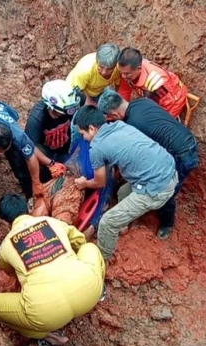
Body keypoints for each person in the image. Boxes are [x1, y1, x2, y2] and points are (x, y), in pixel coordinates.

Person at [0, 193, 106, 346]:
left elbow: (7, 270)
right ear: (29, 209)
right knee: (89, 247)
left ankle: (49, 337)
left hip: (47, 314)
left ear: (4, 222)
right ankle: (101, 292)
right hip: (88, 292)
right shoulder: (51, 222)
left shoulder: (6, 246)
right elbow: (79, 240)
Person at [73, 106, 179, 261]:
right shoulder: (119, 125)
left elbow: (99, 182)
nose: (84, 138)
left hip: (156, 189)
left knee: (107, 223)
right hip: (169, 169)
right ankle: (123, 224)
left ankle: (103, 260)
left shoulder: (97, 148)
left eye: (83, 134)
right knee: (123, 192)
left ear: (91, 128)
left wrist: (84, 183)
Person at [97, 89, 199, 240]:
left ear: (114, 115)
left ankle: (167, 224)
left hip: (182, 155)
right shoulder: (141, 102)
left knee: (166, 189)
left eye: (111, 118)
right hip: (187, 139)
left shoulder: (133, 125)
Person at [25, 79, 85, 183]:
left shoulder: (72, 100)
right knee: (44, 175)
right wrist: (51, 164)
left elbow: (85, 101)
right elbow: (29, 145)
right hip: (45, 150)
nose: (69, 112)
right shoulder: (37, 118)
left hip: (64, 148)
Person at [116, 47, 189, 119]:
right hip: (153, 98)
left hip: (174, 102)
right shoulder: (126, 69)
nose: (123, 76)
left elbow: (169, 106)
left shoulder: (156, 81)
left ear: (139, 68)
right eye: (121, 73)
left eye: (126, 74)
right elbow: (124, 89)